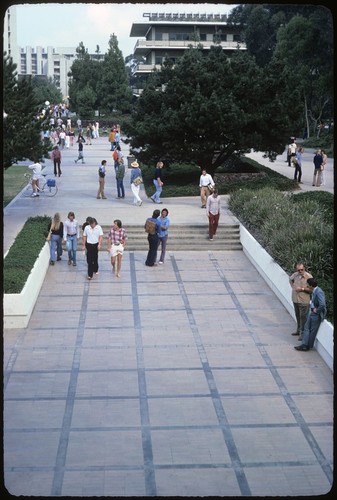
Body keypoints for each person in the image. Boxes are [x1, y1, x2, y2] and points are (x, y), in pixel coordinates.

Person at [294, 278, 327, 351]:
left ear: (311, 285)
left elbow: (322, 304)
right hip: (312, 313)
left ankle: (307, 346)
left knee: (312, 331)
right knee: (306, 327)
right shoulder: (315, 290)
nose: (307, 286)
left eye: (308, 285)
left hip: (316, 315)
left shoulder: (319, 292)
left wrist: (317, 311)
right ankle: (304, 345)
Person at [289, 263, 312, 340]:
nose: (300, 271)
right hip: (295, 299)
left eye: (302, 270)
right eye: (298, 270)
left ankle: (302, 334)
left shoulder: (309, 277)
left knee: (303, 318)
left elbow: (311, 289)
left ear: (304, 268)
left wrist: (302, 289)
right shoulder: (295, 275)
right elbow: (290, 279)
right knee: (298, 316)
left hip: (304, 301)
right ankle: (298, 330)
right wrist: (293, 286)